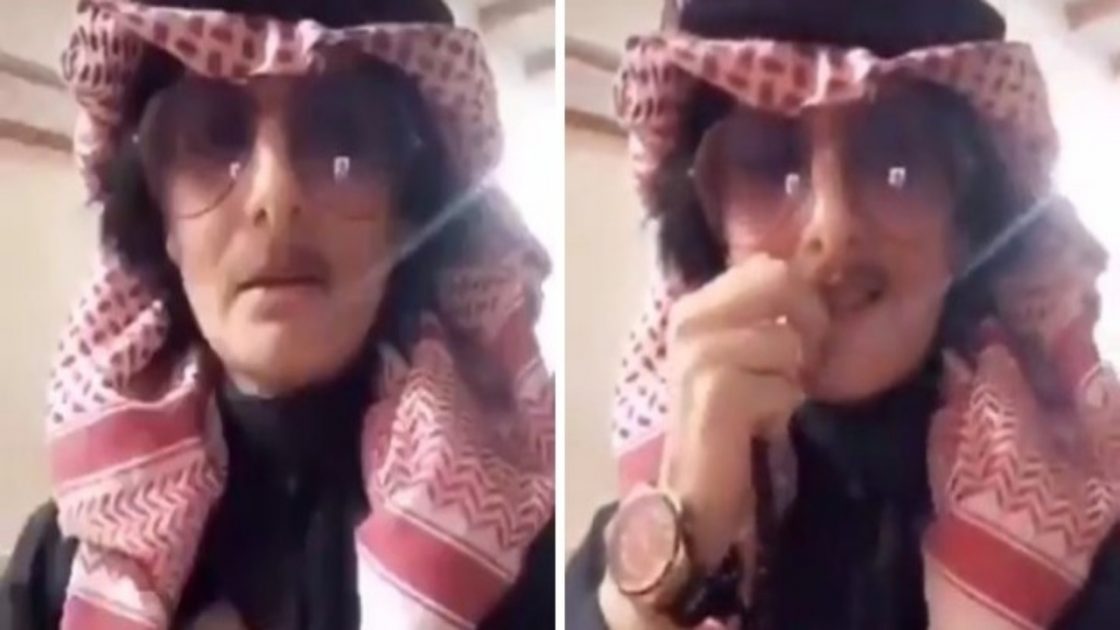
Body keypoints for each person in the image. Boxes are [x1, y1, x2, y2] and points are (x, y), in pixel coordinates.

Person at [0, 0, 555, 628]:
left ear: (407, 214)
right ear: (162, 219)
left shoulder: (525, 549)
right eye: (215, 136)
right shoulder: (62, 570)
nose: (275, 195)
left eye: (342, 139)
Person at [566, 0, 1120, 628]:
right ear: (712, 230)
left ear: (967, 226)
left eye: (896, 165)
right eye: (768, 166)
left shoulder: (1088, 537)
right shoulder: (620, 565)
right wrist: (678, 553)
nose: (832, 231)